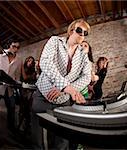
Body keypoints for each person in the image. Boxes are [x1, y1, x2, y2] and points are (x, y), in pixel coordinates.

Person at [31, 18, 91, 150]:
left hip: (64, 99)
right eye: (79, 30)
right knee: (38, 135)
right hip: (43, 94)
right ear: (71, 31)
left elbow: (87, 77)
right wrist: (65, 86)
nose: (82, 34)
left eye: (85, 33)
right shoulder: (55, 41)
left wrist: (65, 90)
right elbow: (45, 62)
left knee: (62, 137)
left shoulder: (83, 55)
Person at [0, 39, 22, 139]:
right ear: (9, 46)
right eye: (14, 46)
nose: (16, 49)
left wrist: (18, 84)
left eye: (18, 47)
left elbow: (17, 76)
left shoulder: (19, 60)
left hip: (9, 89)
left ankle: (11, 128)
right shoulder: (0, 55)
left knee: (12, 109)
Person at [18, 56, 37, 133]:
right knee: (22, 107)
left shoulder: (33, 70)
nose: (30, 62)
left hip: (30, 90)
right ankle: (21, 126)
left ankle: (27, 126)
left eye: (31, 61)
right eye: (29, 60)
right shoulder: (23, 68)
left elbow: (34, 79)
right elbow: (24, 77)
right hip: (23, 89)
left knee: (28, 108)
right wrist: (30, 76)